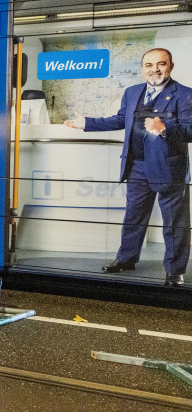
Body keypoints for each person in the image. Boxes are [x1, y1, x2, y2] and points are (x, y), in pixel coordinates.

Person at [65, 48, 192, 286]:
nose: (155, 69)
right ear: (142, 69)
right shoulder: (132, 92)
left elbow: (190, 129)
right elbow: (120, 119)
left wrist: (164, 127)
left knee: (175, 222)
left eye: (161, 64)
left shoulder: (185, 94)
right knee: (133, 217)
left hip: (169, 169)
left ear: (170, 66)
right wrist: (87, 123)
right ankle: (126, 259)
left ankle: (175, 271)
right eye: (149, 65)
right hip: (136, 166)